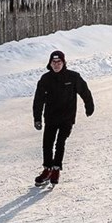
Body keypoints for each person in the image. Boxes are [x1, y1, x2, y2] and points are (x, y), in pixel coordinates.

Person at [32, 50, 94, 187]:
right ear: (50, 63)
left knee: (60, 143)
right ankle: (47, 169)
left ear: (63, 62)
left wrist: (89, 106)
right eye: (53, 62)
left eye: (59, 62)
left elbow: (84, 91)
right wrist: (37, 118)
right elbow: (38, 100)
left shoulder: (73, 77)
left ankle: (56, 169)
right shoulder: (45, 79)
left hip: (67, 117)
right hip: (51, 117)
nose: (56, 65)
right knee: (47, 144)